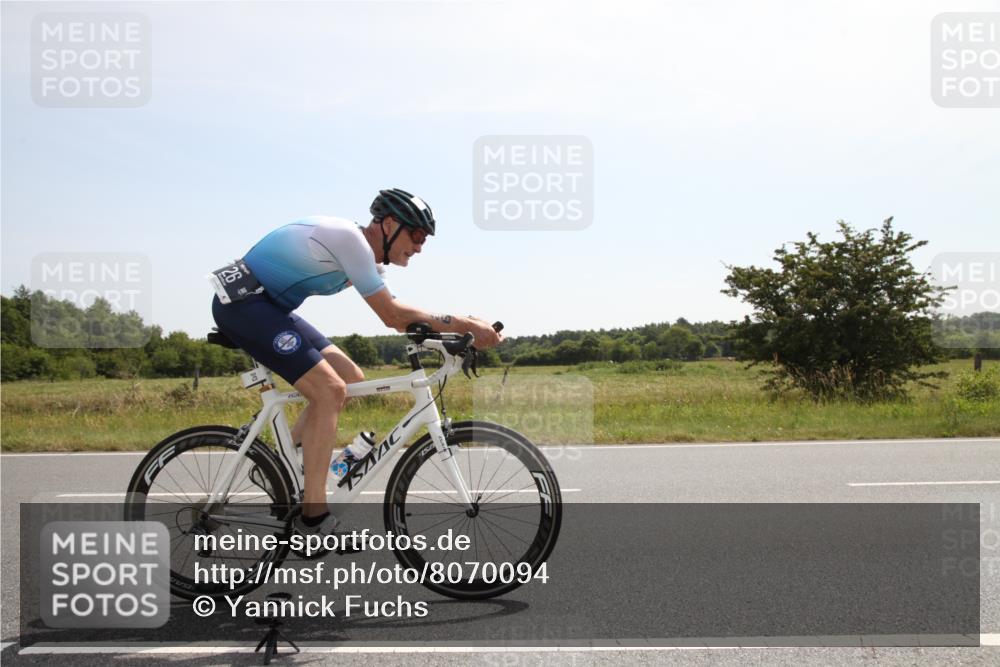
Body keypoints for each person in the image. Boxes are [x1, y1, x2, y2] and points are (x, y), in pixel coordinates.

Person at [210, 188, 503, 537]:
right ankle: (313, 519)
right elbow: (392, 316)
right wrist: (465, 323)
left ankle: (278, 467)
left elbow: (403, 315)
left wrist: (449, 335)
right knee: (329, 390)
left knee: (350, 377)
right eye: (417, 234)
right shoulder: (352, 242)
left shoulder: (369, 259)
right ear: (390, 224)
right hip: (243, 306)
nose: (421, 246)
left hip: (269, 309)